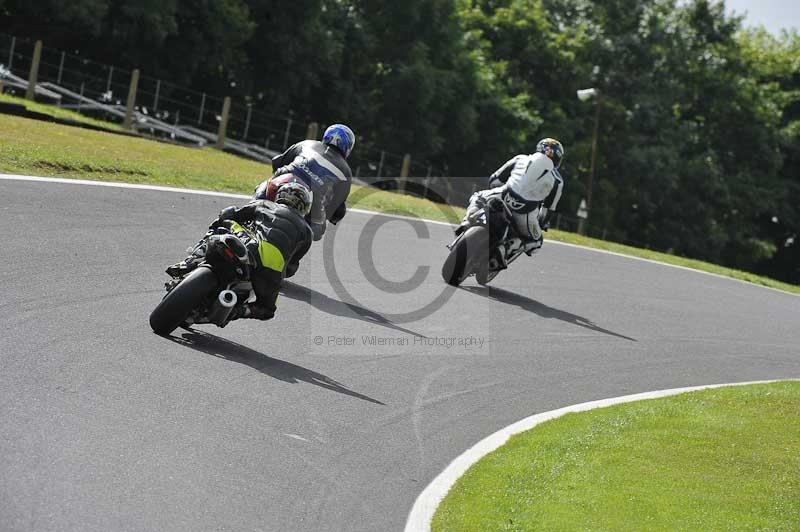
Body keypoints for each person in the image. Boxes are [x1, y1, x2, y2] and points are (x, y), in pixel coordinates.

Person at [167, 182, 314, 321]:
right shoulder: (307, 232)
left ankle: (190, 262)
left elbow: (232, 213)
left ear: (279, 195)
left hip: (247, 243)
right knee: (266, 310)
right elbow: (292, 266)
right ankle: (237, 311)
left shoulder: (265, 204)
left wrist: (225, 218)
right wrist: (280, 274)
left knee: (222, 225)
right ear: (304, 206)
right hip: (270, 269)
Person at [459, 138, 565, 265]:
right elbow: (549, 209)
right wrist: (542, 223)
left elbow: (494, 180)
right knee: (536, 243)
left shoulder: (520, 158)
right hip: (526, 214)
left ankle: (467, 220)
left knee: (477, 197)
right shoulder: (558, 181)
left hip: (503, 195)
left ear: (539, 148)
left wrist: (496, 192)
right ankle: (507, 248)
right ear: (558, 160)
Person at [255, 124, 356, 244]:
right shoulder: (346, 171)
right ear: (348, 147)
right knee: (317, 232)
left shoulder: (306, 144)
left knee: (260, 193)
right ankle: (291, 254)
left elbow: (277, 162)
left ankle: (240, 219)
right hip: (313, 204)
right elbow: (337, 207)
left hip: (282, 182)